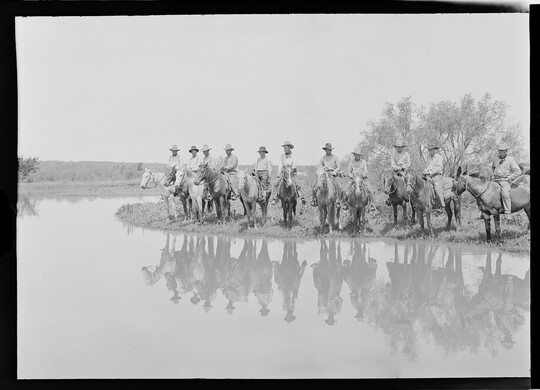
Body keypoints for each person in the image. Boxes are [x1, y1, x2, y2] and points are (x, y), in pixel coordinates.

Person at [270, 141, 306, 205]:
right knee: (275, 183)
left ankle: (302, 197)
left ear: (289, 148)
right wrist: (279, 172)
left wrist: (291, 170)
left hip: (291, 171)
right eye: (284, 148)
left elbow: (294, 164)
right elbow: (280, 164)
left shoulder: (294, 155)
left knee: (297, 183)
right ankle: (274, 198)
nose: (285, 149)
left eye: (286, 147)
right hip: (284, 172)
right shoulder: (282, 156)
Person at [491, 143, 521, 216]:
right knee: (486, 191)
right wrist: (493, 175)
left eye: (502, 151)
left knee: (505, 194)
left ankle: (507, 212)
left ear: (506, 151)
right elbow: (492, 167)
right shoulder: (495, 159)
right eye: (499, 151)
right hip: (495, 180)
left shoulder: (510, 160)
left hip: (505, 180)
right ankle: (485, 211)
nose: (500, 152)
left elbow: (518, 171)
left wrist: (509, 177)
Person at [310, 143, 341, 207]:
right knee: (315, 185)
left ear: (331, 150)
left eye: (329, 150)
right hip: (324, 174)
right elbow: (320, 167)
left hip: (332, 174)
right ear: (325, 150)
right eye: (327, 150)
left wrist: (334, 171)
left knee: (338, 186)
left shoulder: (335, 157)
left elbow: (338, 166)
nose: (328, 151)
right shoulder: (322, 158)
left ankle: (338, 200)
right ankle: (314, 199)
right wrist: (321, 171)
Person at [422, 143, 445, 209]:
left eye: (432, 150)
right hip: (428, 177)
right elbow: (427, 167)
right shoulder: (428, 158)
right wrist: (424, 171)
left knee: (437, 189)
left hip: (437, 176)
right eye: (429, 150)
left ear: (435, 150)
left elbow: (439, 168)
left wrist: (430, 173)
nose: (430, 151)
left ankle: (442, 205)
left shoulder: (439, 157)